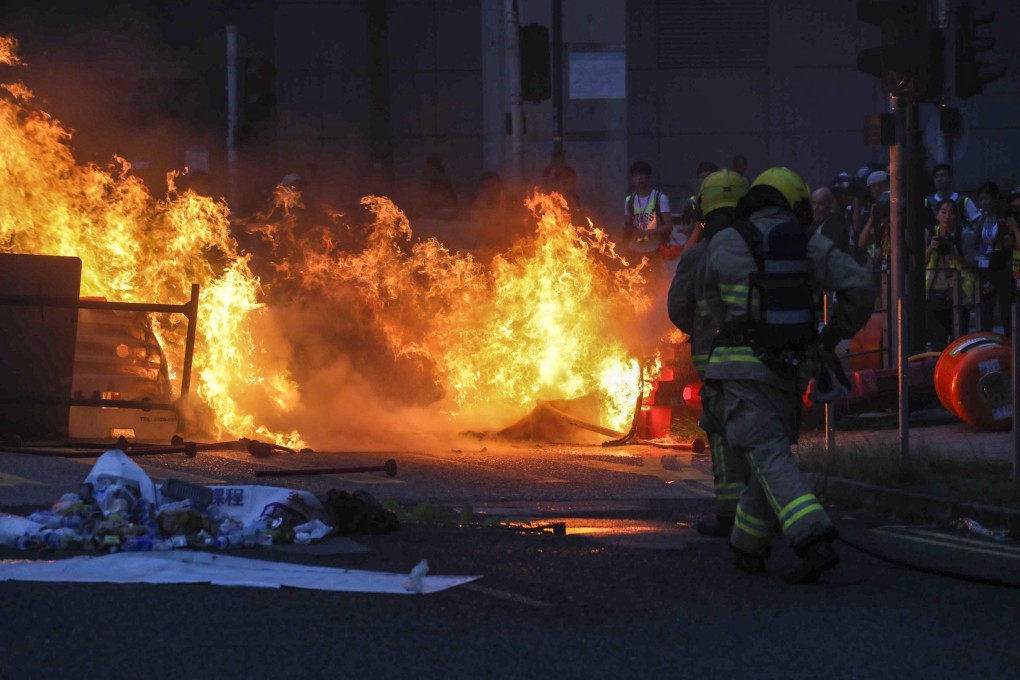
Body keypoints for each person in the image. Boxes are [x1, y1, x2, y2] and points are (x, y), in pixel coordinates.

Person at [700, 167, 874, 583]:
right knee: (769, 451)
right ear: (794, 205)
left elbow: (710, 307)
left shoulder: (723, 243)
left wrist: (736, 335)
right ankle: (746, 546)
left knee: (766, 454)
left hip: (740, 370)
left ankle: (812, 536)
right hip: (791, 369)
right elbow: (862, 287)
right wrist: (830, 336)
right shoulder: (808, 245)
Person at [667, 169, 750, 537]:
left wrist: (701, 331)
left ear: (703, 209)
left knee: (720, 432)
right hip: (762, 358)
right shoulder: (757, 248)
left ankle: (730, 515)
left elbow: (677, 309)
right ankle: (764, 511)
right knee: (761, 433)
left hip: (714, 361)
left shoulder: (697, 255)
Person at [925, 199, 976, 349]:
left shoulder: (964, 235)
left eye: (952, 213)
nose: (947, 216)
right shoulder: (929, 233)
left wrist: (953, 253)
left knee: (959, 342)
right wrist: (931, 247)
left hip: (958, 292)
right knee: (937, 342)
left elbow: (972, 264)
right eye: (944, 212)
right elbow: (919, 263)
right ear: (937, 215)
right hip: (935, 292)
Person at [973, 182, 1014, 334]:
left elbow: (1010, 243)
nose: (983, 202)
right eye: (981, 199)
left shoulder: (1005, 217)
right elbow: (976, 243)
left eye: (986, 198)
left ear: (996, 197)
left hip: (1003, 266)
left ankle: (1011, 347)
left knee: (1006, 311)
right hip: (986, 268)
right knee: (986, 311)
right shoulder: (982, 219)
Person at [622, 161, 672, 262]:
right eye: (636, 175)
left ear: (648, 177)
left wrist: (646, 232)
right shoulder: (629, 200)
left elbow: (668, 227)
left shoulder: (660, 198)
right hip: (634, 250)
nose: (639, 178)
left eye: (642, 174)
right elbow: (627, 224)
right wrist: (624, 244)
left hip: (654, 250)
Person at [924, 163, 980, 228]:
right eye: (936, 176)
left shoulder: (963, 200)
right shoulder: (927, 202)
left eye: (942, 175)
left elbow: (979, 220)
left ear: (950, 178)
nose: (939, 179)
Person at [810, 187, 851, 254]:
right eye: (814, 203)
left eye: (820, 204)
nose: (816, 207)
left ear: (829, 204)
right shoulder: (810, 223)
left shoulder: (835, 226)